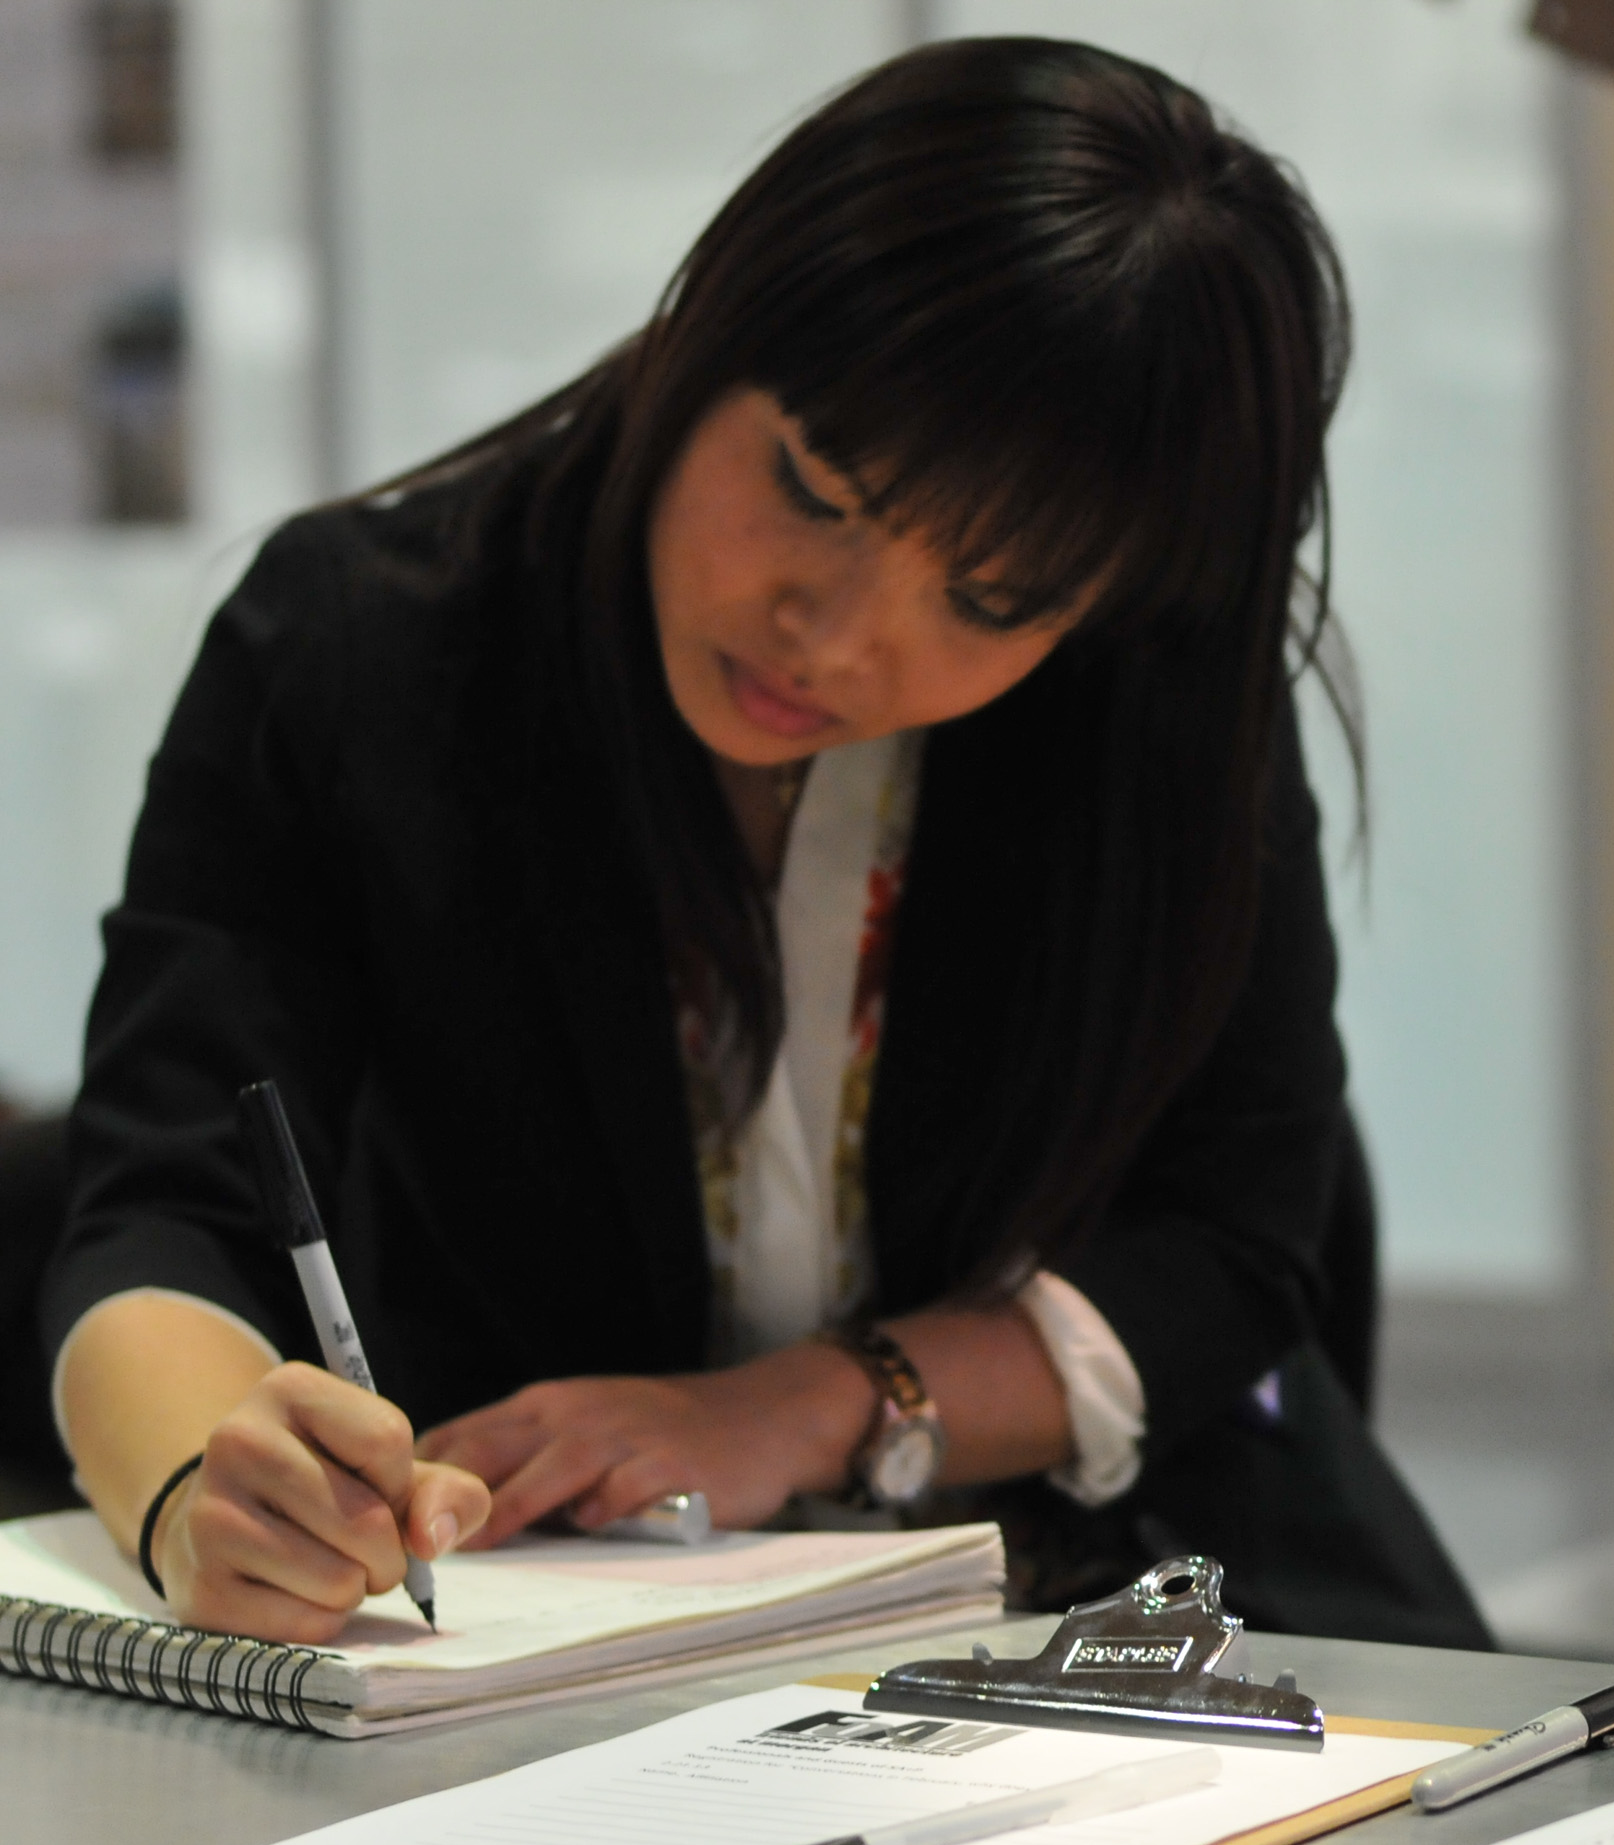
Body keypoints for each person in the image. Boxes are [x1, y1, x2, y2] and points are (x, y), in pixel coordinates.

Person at [40, 38, 1487, 1651]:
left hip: (1134, 1594)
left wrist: (812, 1407)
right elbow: (163, 1208)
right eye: (811, 486)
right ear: (709, 325)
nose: (837, 636)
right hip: (541, 1626)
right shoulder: (361, 656)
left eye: (990, 601)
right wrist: (197, 1493)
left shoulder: (1150, 694)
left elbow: (1233, 1241)